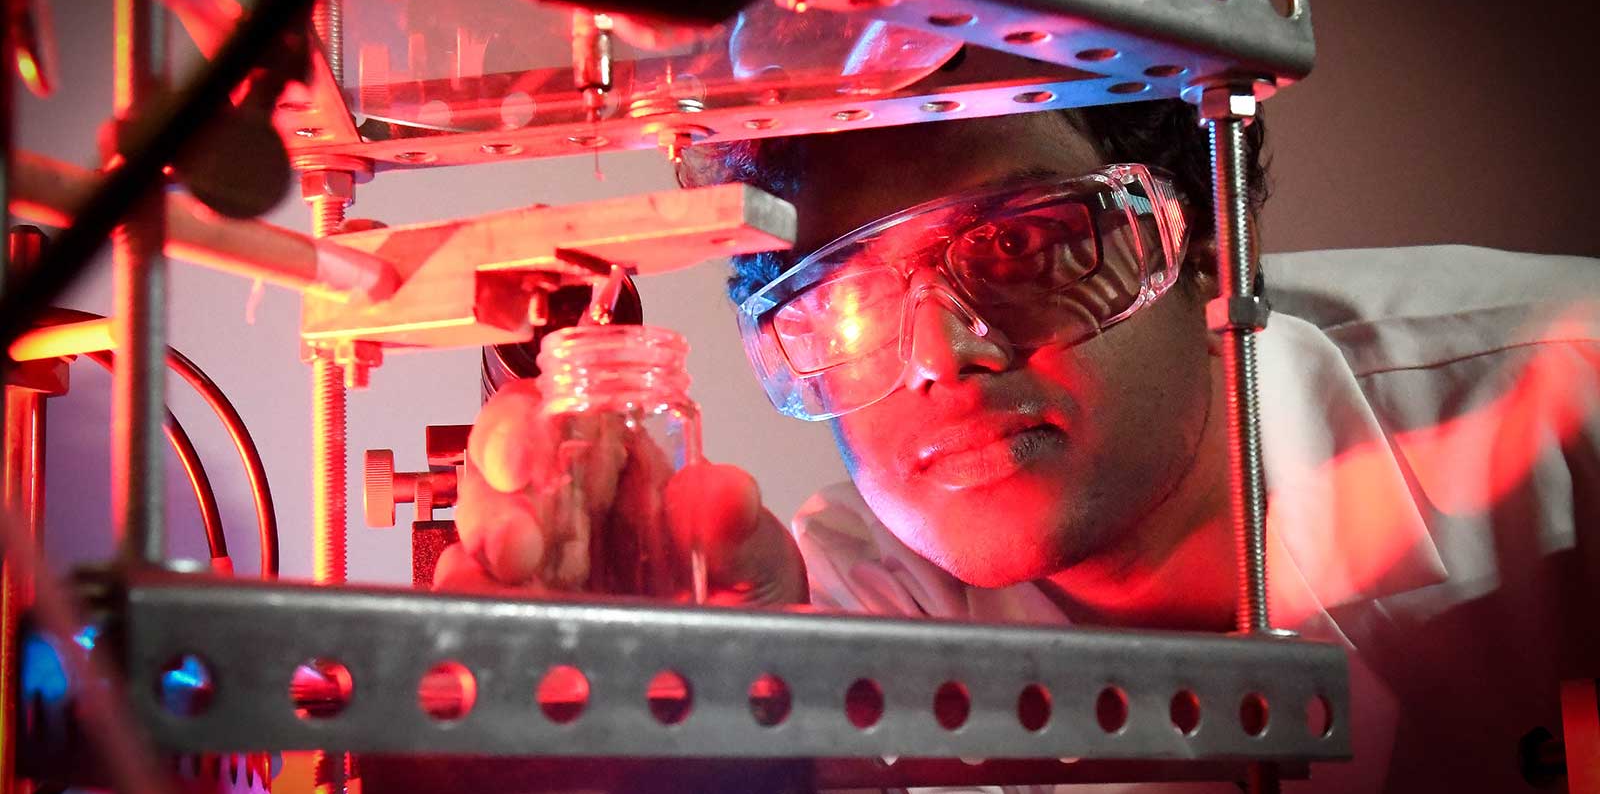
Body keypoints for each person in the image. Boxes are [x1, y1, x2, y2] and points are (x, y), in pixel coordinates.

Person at [434, 91, 1600, 791]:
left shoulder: (1567, 400)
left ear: (1196, 242)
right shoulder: (835, 618)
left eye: (1017, 247)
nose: (943, 357)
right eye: (845, 295)